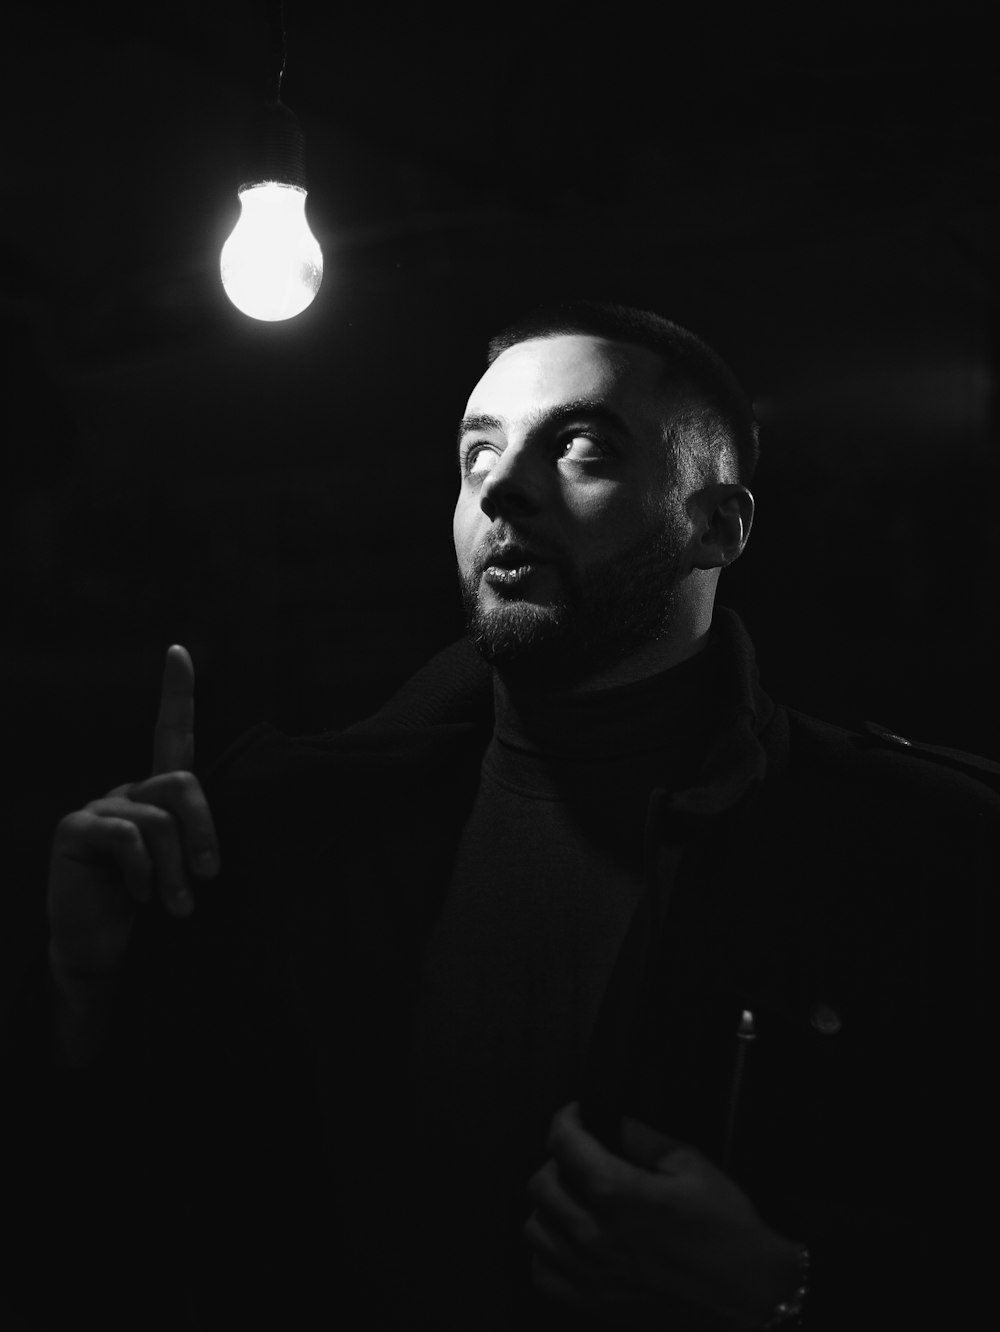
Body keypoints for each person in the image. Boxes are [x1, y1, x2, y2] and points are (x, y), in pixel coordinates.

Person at [10, 301, 997, 1331]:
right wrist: (83, 993)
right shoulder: (291, 831)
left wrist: (789, 1287)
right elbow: (124, 1221)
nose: (504, 490)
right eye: (476, 455)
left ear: (719, 524)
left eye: (580, 448)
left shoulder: (912, 852)